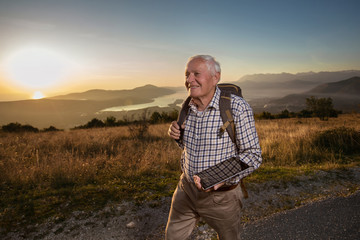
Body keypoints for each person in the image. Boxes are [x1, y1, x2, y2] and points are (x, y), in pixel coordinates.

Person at [165, 55, 262, 240]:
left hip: (222, 198)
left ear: (215, 77)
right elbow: (189, 147)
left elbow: (253, 155)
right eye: (187, 74)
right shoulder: (187, 106)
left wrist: (220, 177)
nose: (189, 80)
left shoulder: (236, 107)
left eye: (196, 74)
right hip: (185, 190)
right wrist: (178, 136)